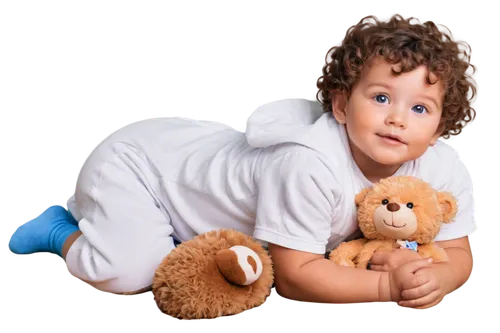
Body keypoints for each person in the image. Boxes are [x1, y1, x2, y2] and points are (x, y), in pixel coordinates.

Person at [7, 12, 479, 311]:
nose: (397, 119)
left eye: (420, 108)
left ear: (439, 127)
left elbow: (459, 252)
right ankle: (57, 226)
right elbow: (296, 277)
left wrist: (442, 275)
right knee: (126, 271)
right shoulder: (308, 163)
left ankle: (171, 231)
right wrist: (386, 291)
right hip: (142, 167)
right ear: (339, 105)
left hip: (197, 171)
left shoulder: (441, 167)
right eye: (380, 97)